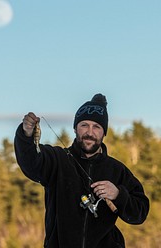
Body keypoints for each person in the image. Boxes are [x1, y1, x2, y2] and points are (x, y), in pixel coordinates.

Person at [14, 93, 149, 248]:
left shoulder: (117, 170)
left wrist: (118, 194)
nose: (89, 133)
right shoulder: (57, 159)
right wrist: (26, 134)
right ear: (75, 128)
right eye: (84, 125)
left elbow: (140, 213)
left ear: (104, 132)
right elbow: (30, 163)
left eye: (97, 127)